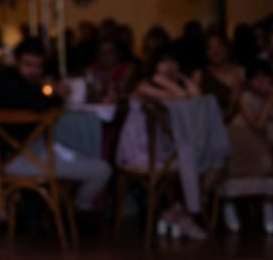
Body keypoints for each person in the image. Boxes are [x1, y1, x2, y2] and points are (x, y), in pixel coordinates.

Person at [0, 38, 112, 214]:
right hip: (18, 160)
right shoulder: (12, 84)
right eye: (28, 65)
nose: (33, 71)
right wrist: (53, 93)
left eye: (38, 66)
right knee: (101, 170)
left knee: (91, 163)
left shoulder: (22, 83)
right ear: (16, 61)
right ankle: (79, 212)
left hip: (27, 155)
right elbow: (39, 103)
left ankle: (73, 212)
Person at [116, 48, 208, 240]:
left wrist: (182, 78)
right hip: (140, 150)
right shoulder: (143, 87)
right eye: (164, 62)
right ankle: (179, 214)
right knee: (190, 166)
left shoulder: (171, 86)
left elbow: (197, 97)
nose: (169, 67)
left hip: (162, 146)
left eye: (174, 62)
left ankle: (176, 212)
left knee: (204, 163)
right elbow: (182, 97)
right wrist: (163, 80)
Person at [223, 61, 273, 234]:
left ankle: (269, 209)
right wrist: (269, 100)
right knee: (260, 159)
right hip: (242, 136)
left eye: (264, 77)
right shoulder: (244, 96)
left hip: (265, 139)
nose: (260, 81)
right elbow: (257, 124)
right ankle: (228, 205)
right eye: (255, 78)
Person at [194, 33, 245, 123]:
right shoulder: (199, 74)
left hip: (228, 124)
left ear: (227, 48)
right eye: (210, 48)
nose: (215, 51)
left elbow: (233, 107)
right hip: (201, 121)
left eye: (219, 46)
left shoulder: (237, 72)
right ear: (206, 53)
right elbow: (193, 103)